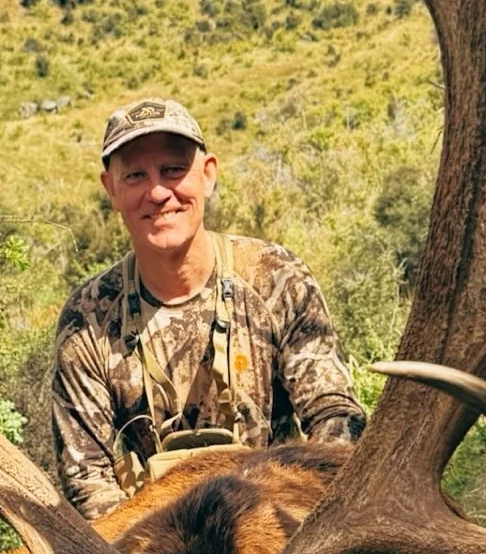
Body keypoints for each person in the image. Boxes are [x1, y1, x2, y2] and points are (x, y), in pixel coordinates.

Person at [51, 96, 365, 518]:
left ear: (208, 175)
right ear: (111, 189)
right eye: (136, 176)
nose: (158, 192)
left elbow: (335, 420)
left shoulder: (276, 277)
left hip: (276, 527)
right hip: (156, 549)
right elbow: (88, 482)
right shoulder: (86, 319)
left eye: (173, 170)